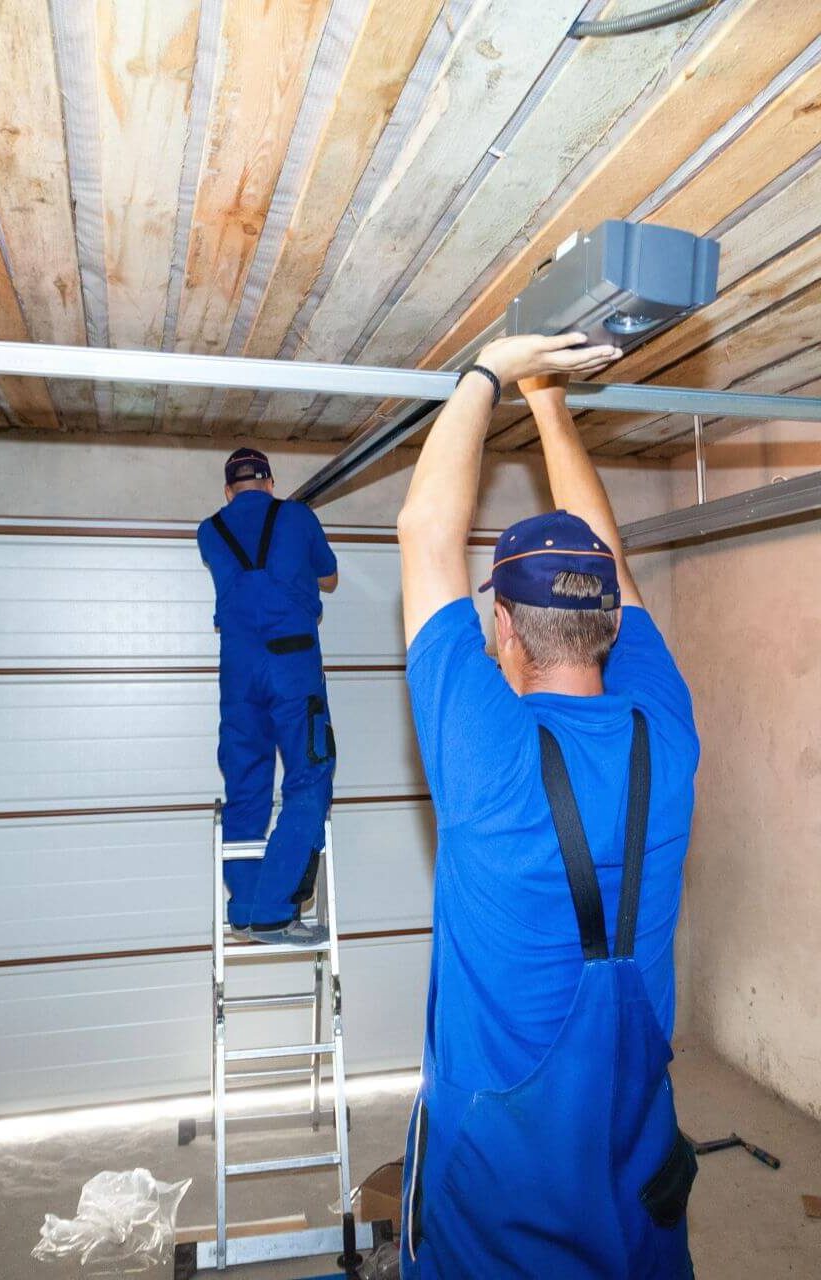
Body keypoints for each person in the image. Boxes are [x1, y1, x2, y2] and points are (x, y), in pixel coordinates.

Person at [396, 335, 700, 1279]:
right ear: (612, 620)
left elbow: (422, 533)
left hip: (498, 1195)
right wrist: (548, 405)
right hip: (636, 1153)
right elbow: (601, 557)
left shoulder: (485, 756)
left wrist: (489, 367)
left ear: (502, 629)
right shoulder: (668, 730)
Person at [197, 447, 338, 945]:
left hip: (238, 675)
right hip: (292, 667)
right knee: (308, 776)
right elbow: (330, 574)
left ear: (229, 490)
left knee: (247, 784)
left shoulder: (209, 531)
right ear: (271, 482)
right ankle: (276, 910)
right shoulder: (298, 516)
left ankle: (245, 908)